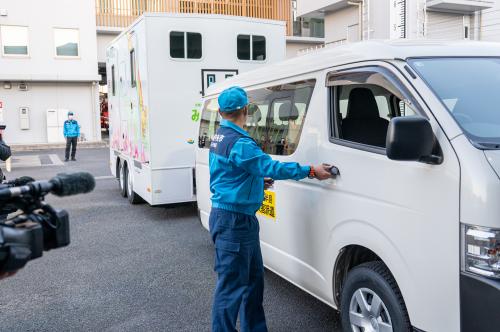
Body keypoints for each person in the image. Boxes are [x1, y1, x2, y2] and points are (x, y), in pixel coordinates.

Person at [209, 86, 332, 332]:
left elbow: (229, 175)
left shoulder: (219, 136)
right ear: (245, 109)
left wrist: (256, 182)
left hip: (233, 219)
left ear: (221, 112)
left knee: (253, 283)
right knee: (232, 289)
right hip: (235, 222)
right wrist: (310, 170)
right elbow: (271, 167)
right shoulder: (241, 143)